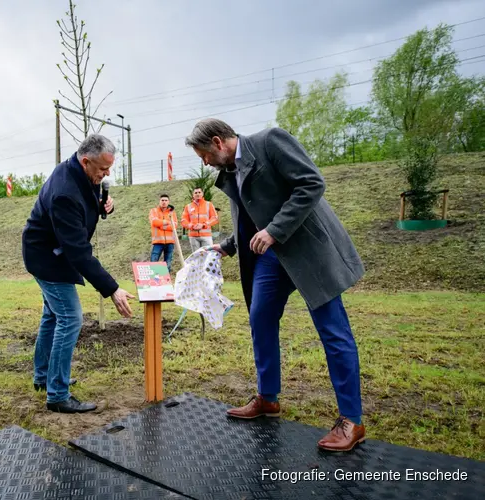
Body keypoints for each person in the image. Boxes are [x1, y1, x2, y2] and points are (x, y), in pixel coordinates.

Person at [184, 118, 366, 452]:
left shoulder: (270, 142)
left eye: (204, 155)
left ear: (218, 141)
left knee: (333, 331)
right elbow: (252, 216)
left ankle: (351, 421)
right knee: (260, 318)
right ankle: (268, 398)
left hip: (308, 251)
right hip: (271, 256)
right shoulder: (229, 172)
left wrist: (275, 230)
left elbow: (311, 184)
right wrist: (225, 246)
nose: (205, 162)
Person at [22, 134, 135, 414]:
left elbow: (84, 204)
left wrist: (102, 205)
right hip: (48, 258)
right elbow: (79, 252)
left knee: (52, 316)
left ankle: (44, 376)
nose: (107, 174)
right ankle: (58, 393)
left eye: (109, 168)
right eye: (102, 169)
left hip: (51, 252)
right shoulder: (64, 191)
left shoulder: (79, 172)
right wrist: (112, 289)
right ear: (85, 161)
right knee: (70, 318)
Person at [182, 187, 219, 253]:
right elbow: (184, 220)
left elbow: (215, 218)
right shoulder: (188, 206)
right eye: (196, 193)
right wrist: (192, 226)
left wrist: (203, 225)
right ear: (193, 195)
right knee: (196, 257)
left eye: (199, 192)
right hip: (193, 237)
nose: (198, 194)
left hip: (206, 236)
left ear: (202, 194)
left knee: (208, 256)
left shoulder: (209, 204)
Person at [148, 194, 178, 273]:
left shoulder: (172, 213)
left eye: (166, 200)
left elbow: (174, 225)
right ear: (159, 201)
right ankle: (152, 280)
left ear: (168, 202)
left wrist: (161, 226)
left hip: (170, 242)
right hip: (158, 242)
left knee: (167, 264)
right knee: (153, 263)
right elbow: (154, 222)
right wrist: (166, 222)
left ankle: (166, 282)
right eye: (162, 200)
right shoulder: (153, 211)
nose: (164, 202)